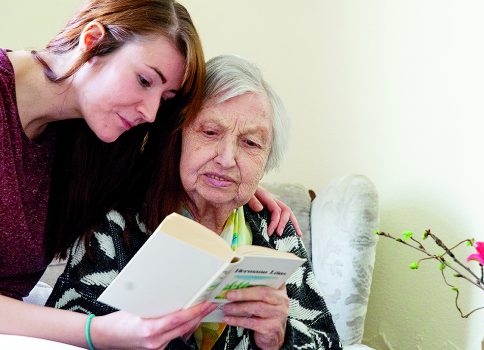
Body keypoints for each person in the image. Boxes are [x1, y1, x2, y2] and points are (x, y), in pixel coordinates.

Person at [0, 1, 297, 348]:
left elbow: (173, 166)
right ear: (93, 41)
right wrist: (98, 332)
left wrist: (238, 184)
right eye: (144, 80)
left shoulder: (93, 135)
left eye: (165, 96)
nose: (152, 112)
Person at [47, 55, 342, 350]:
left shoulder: (275, 230)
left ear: (266, 162)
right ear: (178, 138)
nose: (226, 159)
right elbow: (63, 333)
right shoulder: (117, 221)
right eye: (210, 132)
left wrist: (279, 338)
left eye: (250, 143)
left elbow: (329, 342)